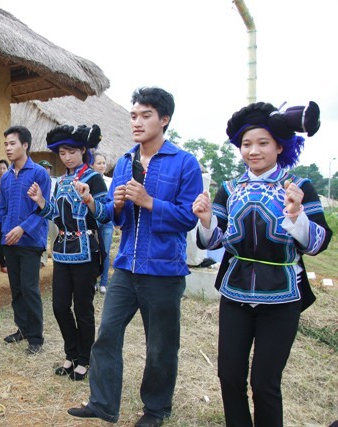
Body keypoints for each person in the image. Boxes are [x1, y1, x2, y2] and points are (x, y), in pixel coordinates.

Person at [68, 87, 203, 426]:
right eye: (133, 115)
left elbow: (189, 217)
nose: (137, 122)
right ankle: (102, 404)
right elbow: (119, 219)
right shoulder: (126, 161)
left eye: (145, 115)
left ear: (164, 119)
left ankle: (156, 410)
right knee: (107, 335)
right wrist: (107, 205)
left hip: (164, 270)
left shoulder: (184, 163)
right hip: (126, 266)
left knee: (160, 347)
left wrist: (149, 201)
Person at [192, 101, 332, 427]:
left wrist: (297, 216)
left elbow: (318, 244)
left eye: (262, 143)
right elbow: (212, 242)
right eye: (246, 144)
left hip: (282, 296)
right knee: (229, 377)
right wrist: (207, 220)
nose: (253, 151)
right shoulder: (229, 188)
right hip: (236, 292)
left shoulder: (300, 187)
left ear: (280, 146)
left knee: (265, 384)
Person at [27, 124, 108, 381]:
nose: (67, 157)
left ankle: (85, 359)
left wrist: (90, 201)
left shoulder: (93, 179)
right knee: (60, 306)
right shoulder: (60, 181)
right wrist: (41, 201)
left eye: (71, 151)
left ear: (83, 151)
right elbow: (57, 216)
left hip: (86, 251)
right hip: (61, 251)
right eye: (62, 153)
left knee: (83, 308)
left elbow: (106, 214)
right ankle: (71, 353)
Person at [0, 125, 51, 355]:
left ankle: (36, 338)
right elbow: (2, 210)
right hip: (9, 241)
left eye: (12, 143)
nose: (8, 148)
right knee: (16, 289)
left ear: (25, 145)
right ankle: (23, 329)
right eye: (6, 144)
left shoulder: (39, 173)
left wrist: (22, 228)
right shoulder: (6, 178)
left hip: (30, 242)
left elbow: (44, 209)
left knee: (29, 289)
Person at [91, 152, 114, 294]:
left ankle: (104, 282)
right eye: (98, 163)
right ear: (92, 165)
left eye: (103, 163)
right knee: (94, 251)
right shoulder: (89, 181)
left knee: (105, 250)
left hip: (108, 220)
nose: (101, 166)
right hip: (94, 220)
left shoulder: (111, 181)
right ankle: (93, 280)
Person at [37, 159, 59, 267]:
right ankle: (43, 259)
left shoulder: (56, 181)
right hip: (41, 211)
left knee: (55, 235)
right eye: (44, 168)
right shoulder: (36, 183)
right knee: (42, 235)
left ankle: (56, 258)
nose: (46, 170)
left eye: (48, 168)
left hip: (53, 211)